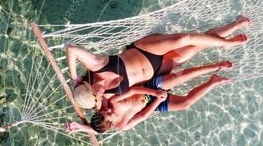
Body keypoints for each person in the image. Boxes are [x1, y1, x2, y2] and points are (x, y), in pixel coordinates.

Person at [67, 16, 250, 109]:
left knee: (185, 39)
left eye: (95, 95)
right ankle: (234, 25)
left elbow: (72, 50)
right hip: (157, 69)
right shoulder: (107, 97)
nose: (100, 96)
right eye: (98, 99)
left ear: (88, 86)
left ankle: (227, 43)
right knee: (196, 47)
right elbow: (107, 120)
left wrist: (74, 77)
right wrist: (83, 128)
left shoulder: (96, 66)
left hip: (145, 50)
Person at [65, 62, 232, 134]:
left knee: (177, 79)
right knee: (185, 104)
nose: (106, 109)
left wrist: (80, 127)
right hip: (153, 104)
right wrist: (158, 101)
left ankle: (214, 66)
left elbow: (133, 90)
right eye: (108, 113)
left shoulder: (111, 104)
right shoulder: (122, 125)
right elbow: (143, 115)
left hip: (149, 88)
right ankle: (213, 82)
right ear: (112, 123)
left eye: (103, 110)